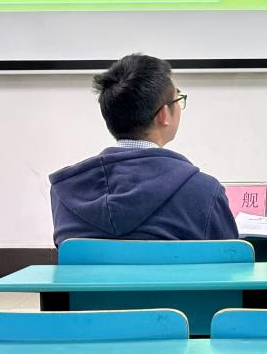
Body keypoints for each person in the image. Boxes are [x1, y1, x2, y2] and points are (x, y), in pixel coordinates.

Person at [49, 53, 237, 245]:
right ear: (164, 114)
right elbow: (231, 259)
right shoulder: (204, 192)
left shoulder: (64, 193)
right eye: (178, 99)